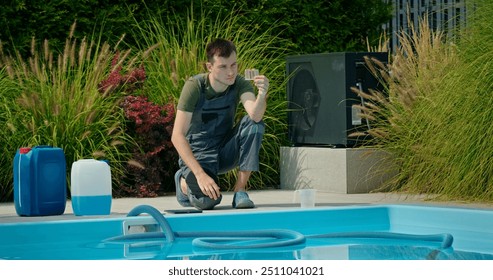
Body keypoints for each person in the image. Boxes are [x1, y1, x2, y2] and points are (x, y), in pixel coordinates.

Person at [171, 38, 269, 210]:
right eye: (223, 67)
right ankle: (184, 183)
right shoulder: (195, 86)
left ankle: (240, 190)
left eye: (233, 65)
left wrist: (262, 94)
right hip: (199, 155)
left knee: (255, 124)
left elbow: (255, 114)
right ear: (210, 67)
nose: (230, 72)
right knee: (208, 202)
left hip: (225, 150)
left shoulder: (239, 83)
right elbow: (177, 136)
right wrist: (200, 175)